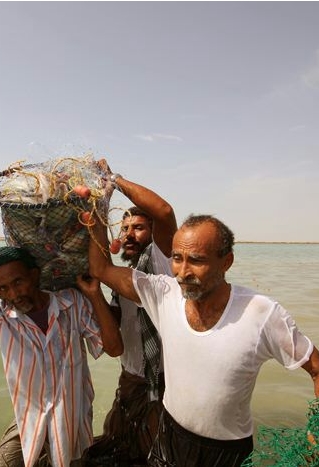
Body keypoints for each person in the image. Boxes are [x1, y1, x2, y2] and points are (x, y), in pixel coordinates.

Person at [87, 213, 319, 467]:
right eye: (177, 258)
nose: (183, 272)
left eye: (197, 260)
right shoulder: (163, 293)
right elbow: (101, 268)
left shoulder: (261, 313)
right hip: (168, 436)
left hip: (225, 451)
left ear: (227, 262)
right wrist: (96, 213)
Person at [0, 181, 124, 467]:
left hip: (72, 425)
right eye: (3, 288)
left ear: (35, 275)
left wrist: (94, 295)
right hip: (29, 426)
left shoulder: (70, 304)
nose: (13, 294)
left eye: (18, 282)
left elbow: (114, 349)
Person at [82, 170, 177, 467]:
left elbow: (164, 212)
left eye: (138, 227)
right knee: (116, 449)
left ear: (152, 233)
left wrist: (113, 181)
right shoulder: (123, 281)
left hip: (165, 385)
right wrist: (93, 295)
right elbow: (115, 344)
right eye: (124, 229)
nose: (129, 235)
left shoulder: (164, 262)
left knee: (158, 457)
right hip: (130, 382)